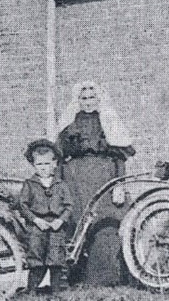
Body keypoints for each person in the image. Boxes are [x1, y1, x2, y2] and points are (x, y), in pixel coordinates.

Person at [57, 82, 134, 285]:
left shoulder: (108, 120)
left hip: (103, 179)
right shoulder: (69, 122)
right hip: (75, 181)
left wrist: (119, 184)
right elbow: (58, 154)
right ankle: (76, 276)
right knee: (76, 225)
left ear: (99, 99)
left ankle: (104, 278)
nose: (88, 102)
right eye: (84, 98)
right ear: (78, 100)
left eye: (92, 97)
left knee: (106, 223)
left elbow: (119, 156)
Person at [16, 139, 75, 294]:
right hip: (37, 226)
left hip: (56, 226)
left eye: (47, 164)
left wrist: (60, 220)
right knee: (36, 258)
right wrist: (35, 220)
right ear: (34, 165)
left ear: (54, 164)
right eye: (39, 164)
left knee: (56, 259)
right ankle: (32, 291)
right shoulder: (29, 184)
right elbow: (22, 205)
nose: (43, 168)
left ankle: (56, 293)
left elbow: (69, 206)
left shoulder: (61, 185)